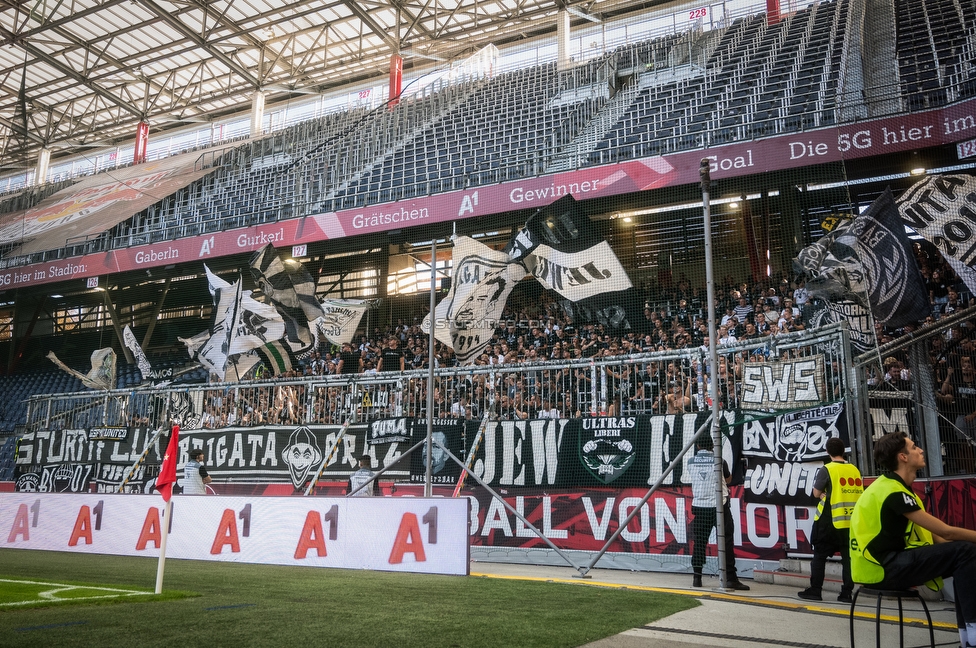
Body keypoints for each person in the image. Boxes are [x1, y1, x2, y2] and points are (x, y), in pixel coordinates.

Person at [850, 432, 976, 648]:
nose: (921, 450)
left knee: (965, 553)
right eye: (914, 447)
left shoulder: (895, 488)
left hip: (880, 566)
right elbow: (946, 533)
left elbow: (938, 539)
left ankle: (969, 638)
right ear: (903, 457)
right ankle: (972, 638)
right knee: (966, 552)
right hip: (884, 569)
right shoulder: (894, 492)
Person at [797, 437, 863, 602]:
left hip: (830, 520)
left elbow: (816, 493)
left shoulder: (827, 469)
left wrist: (825, 494)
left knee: (819, 556)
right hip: (850, 522)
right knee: (848, 559)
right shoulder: (855, 469)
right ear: (843, 451)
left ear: (827, 451)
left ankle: (816, 590)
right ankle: (847, 593)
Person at [688, 435, 750, 590]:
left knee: (699, 543)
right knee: (726, 541)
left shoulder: (690, 462)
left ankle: (697, 577)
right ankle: (730, 577)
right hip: (719, 506)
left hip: (700, 506)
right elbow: (728, 480)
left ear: (697, 446)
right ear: (712, 446)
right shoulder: (720, 461)